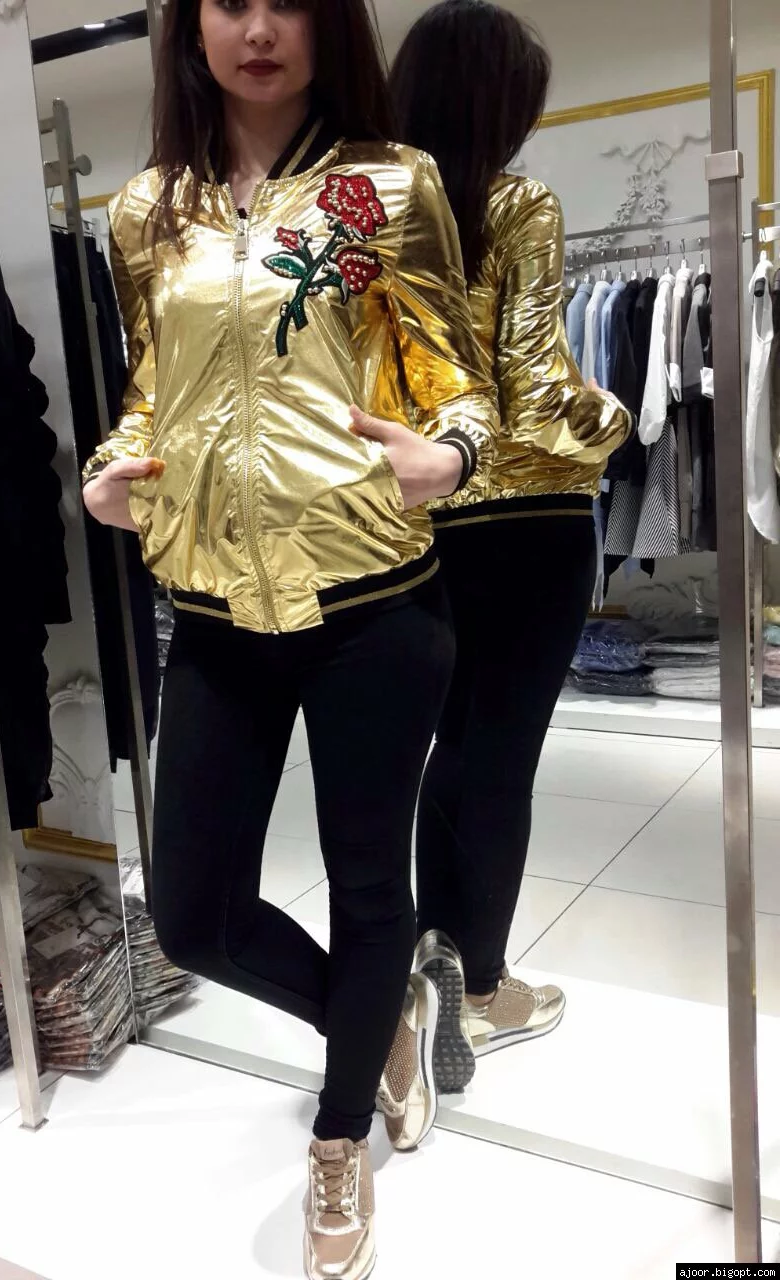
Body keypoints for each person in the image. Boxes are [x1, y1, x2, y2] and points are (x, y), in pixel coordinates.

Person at [81, 1, 499, 1275]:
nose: (258, 28)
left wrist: (452, 452)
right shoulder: (145, 210)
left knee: (369, 884)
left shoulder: (390, 185)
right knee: (192, 916)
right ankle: (377, 1022)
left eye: (289, 2)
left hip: (374, 604)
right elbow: (154, 385)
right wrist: (112, 465)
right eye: (229, 1)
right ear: (190, 25)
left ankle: (338, 1138)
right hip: (215, 610)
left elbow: (460, 376)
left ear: (330, 23)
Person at [390, 0, 631, 1090]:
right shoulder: (516, 203)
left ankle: (434, 964)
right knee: (502, 760)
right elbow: (535, 391)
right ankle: (483, 988)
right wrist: (614, 420)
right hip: (530, 522)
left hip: (424, 523)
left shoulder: (373, 219)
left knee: (450, 751)